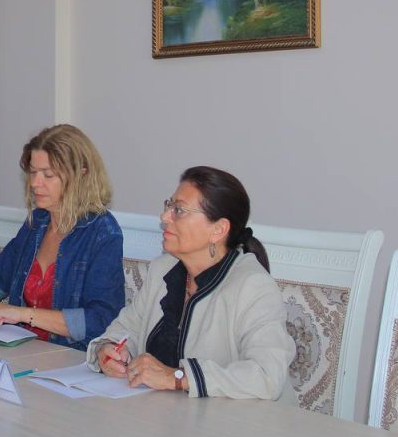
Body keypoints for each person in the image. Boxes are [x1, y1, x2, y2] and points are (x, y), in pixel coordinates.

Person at [86, 166, 295, 400]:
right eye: (169, 206)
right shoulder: (162, 269)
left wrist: (177, 377)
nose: (164, 217)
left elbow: (267, 375)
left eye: (179, 210)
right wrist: (108, 350)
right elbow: (126, 329)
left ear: (219, 229)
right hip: (163, 415)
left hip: (234, 421)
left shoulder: (253, 286)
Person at [0, 124, 125, 350]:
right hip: (22, 350)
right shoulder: (37, 222)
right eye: (33, 172)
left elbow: (101, 320)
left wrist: (23, 314)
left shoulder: (103, 232)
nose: (35, 183)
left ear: (81, 174)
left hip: (71, 358)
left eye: (48, 174)